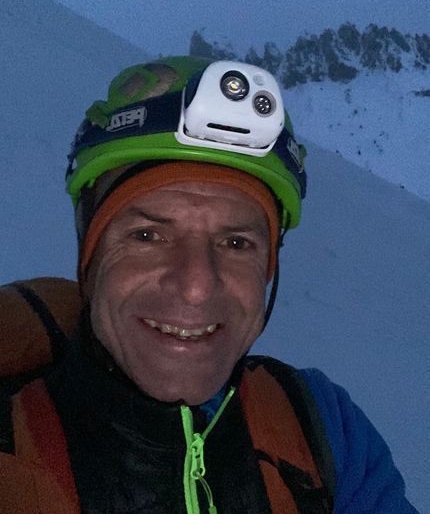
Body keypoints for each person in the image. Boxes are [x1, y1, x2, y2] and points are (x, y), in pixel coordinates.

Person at [0, 57, 419, 514]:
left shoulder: (322, 430)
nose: (197, 285)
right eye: (147, 236)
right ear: (90, 249)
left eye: (236, 242)